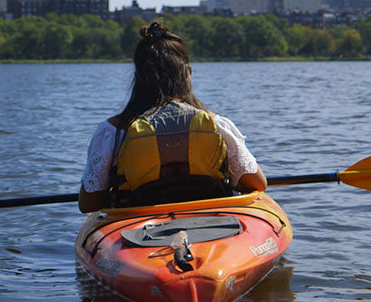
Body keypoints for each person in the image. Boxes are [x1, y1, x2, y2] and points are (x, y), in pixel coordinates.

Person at [79, 21, 267, 213]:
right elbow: (257, 183)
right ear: (187, 74)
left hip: (138, 226)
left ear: (139, 77)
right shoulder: (217, 124)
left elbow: (89, 204)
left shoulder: (113, 131)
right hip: (210, 221)